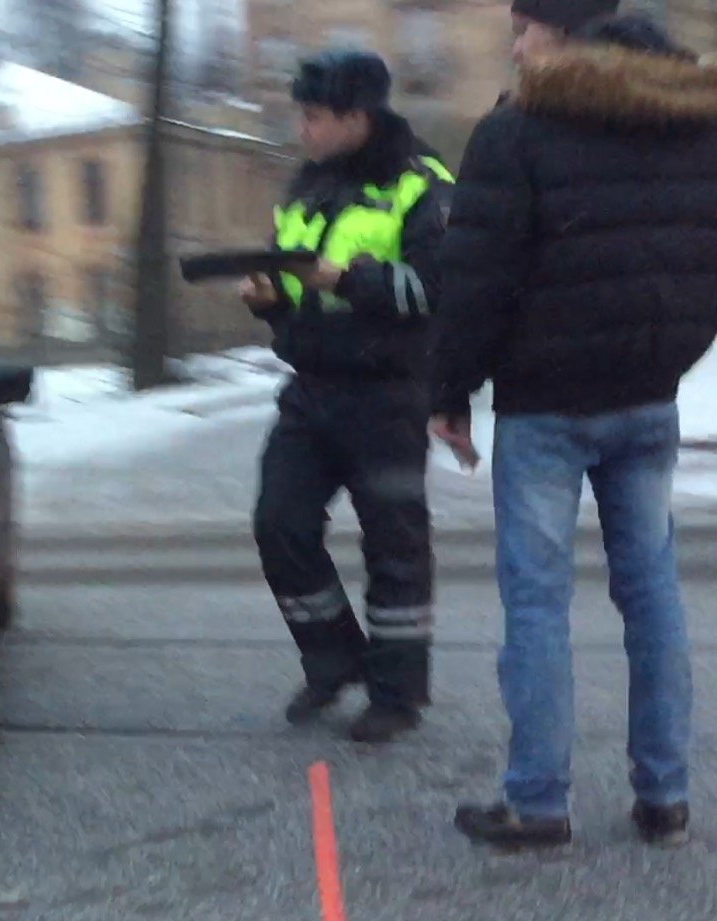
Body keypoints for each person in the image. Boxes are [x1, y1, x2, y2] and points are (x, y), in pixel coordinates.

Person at [431, 11, 717, 849]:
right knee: (652, 591)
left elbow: (476, 278)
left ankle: (538, 801)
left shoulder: (518, 133)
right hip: (647, 400)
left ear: (570, 34)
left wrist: (451, 388)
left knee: (537, 601)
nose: (515, 47)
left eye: (525, 27)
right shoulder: (708, 133)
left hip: (544, 406)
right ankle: (665, 795)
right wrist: (665, 356)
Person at [238, 48, 455, 744]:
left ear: (358, 116)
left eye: (314, 116)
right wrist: (270, 300)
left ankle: (397, 694)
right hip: (311, 389)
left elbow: (436, 291)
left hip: (388, 394)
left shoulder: (423, 185)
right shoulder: (308, 187)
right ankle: (334, 659)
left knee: (395, 546)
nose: (302, 129)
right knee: (279, 524)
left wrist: (344, 279)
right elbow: (296, 286)